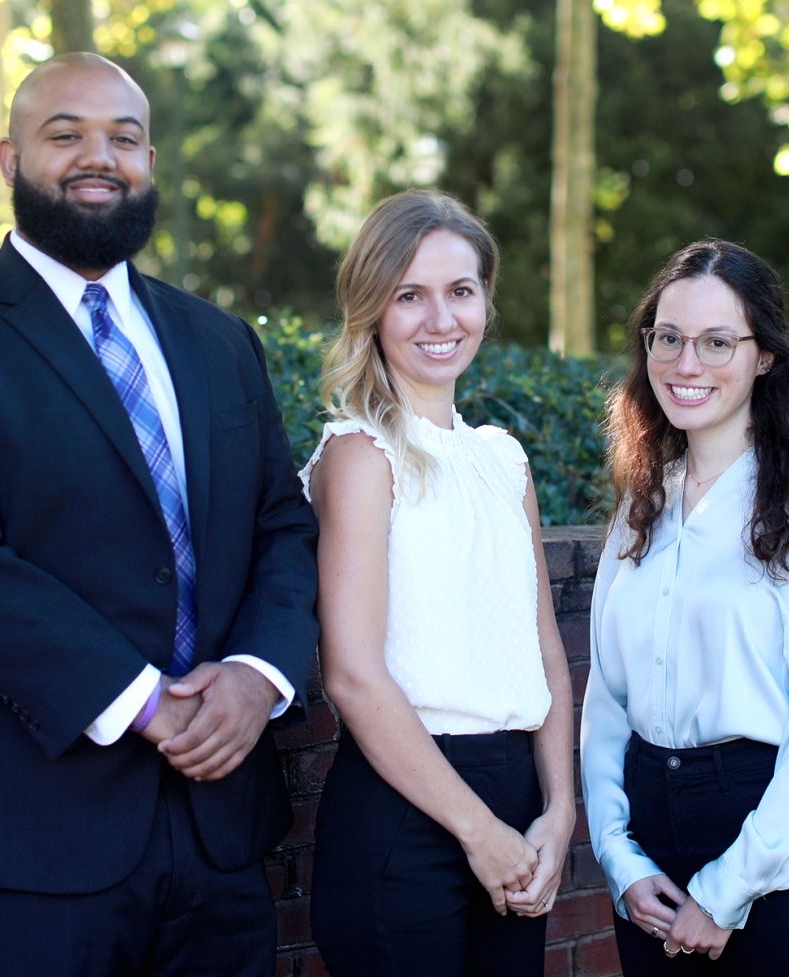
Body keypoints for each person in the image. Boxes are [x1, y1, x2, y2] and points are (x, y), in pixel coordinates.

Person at [0, 53, 318, 976]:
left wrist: (259, 677)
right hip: (20, 834)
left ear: (149, 160)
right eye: (64, 134)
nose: (97, 157)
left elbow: (281, 524)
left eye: (124, 137)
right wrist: (144, 701)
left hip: (221, 833)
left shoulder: (219, 342)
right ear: (6, 158)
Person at [581, 239, 789, 975]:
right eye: (669, 338)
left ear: (765, 356)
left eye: (718, 341)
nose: (687, 364)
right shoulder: (641, 506)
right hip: (651, 846)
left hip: (776, 848)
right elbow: (607, 701)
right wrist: (620, 857)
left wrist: (724, 892)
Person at [300, 190, 575, 977]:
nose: (439, 318)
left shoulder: (503, 457)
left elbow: (544, 653)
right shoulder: (360, 454)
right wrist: (478, 829)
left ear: (486, 299)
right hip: (405, 814)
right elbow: (352, 676)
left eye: (460, 291)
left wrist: (558, 811)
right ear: (372, 307)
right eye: (408, 294)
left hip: (517, 800)